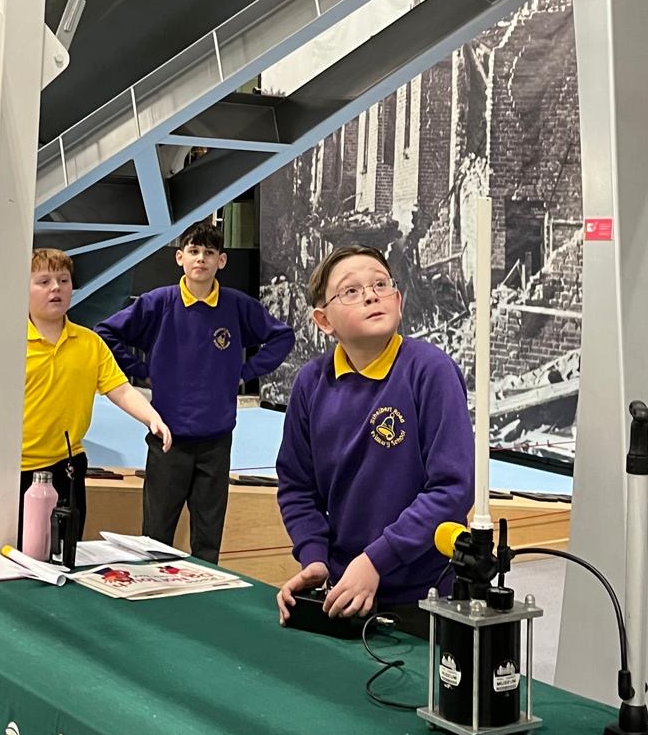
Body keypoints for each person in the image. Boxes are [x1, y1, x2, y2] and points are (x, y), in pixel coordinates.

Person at [275, 244, 473, 625]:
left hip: (425, 595)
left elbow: (452, 488)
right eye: (351, 290)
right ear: (323, 320)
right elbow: (297, 486)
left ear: (398, 300)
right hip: (344, 591)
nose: (370, 295)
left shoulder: (431, 371)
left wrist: (376, 561)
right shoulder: (310, 384)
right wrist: (314, 558)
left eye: (381, 284)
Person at [97, 222, 295, 564]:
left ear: (221, 261)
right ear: (180, 258)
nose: (200, 259)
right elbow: (105, 333)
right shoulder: (158, 303)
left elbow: (282, 336)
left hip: (216, 441)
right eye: (193, 251)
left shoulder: (236, 306)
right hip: (167, 438)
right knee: (155, 536)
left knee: (207, 540)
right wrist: (141, 370)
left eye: (209, 252)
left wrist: (244, 372)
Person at [21, 249, 172, 542]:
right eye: (44, 281)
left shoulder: (90, 343)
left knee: (66, 548)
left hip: (67, 466)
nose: (56, 288)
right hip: (15, 468)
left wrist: (152, 418)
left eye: (63, 280)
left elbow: (121, 389)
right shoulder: (9, 341)